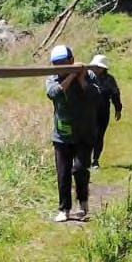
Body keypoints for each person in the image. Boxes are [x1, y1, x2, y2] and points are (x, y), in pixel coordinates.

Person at [44, 44, 103, 222]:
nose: (60, 66)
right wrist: (71, 75)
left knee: (80, 169)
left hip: (85, 133)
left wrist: (81, 78)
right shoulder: (52, 77)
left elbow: (96, 97)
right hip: (62, 134)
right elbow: (54, 93)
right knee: (63, 173)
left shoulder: (89, 75)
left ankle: (83, 203)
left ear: (71, 60)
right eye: (56, 64)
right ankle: (64, 209)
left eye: (63, 62)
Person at [88, 54, 123, 168]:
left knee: (99, 135)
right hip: (88, 111)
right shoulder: (87, 77)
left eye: (98, 67)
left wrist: (118, 109)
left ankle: (95, 160)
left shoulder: (109, 80)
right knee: (87, 135)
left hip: (103, 111)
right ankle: (84, 159)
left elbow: (115, 95)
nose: (95, 69)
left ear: (103, 68)